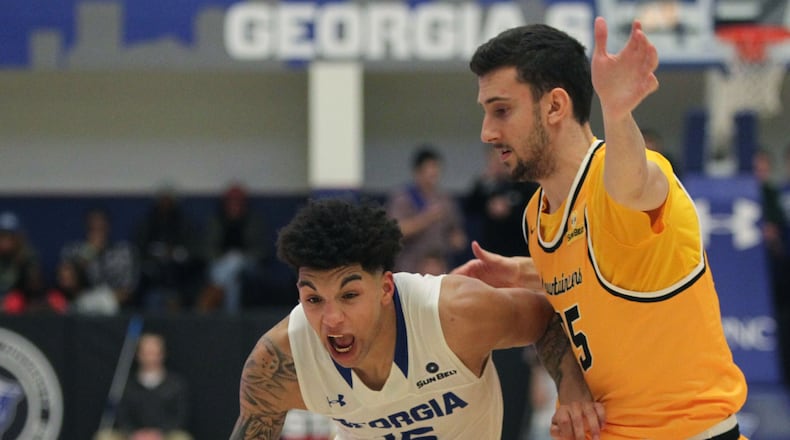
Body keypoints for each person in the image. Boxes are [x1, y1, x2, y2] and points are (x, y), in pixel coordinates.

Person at [454, 17, 748, 439]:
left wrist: (618, 111)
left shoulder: (623, 184)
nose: (487, 132)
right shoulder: (538, 215)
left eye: (501, 110)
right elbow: (601, 271)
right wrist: (520, 274)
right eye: (486, 113)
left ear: (555, 106)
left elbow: (630, 185)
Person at [230, 198, 604, 440]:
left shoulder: (455, 314)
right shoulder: (280, 362)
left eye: (349, 296)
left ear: (386, 289)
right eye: (313, 299)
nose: (331, 319)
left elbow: (546, 318)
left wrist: (570, 386)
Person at [463, 146, 540, 439]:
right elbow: (469, 206)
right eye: (492, 158)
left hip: (523, 272)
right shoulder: (486, 187)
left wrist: (508, 211)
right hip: (488, 271)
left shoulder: (527, 188)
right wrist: (486, 178)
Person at [96, 333, 193, 440]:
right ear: (138, 354)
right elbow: (121, 416)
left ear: (162, 354)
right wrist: (133, 433)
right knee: (104, 437)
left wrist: (159, 433)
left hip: (165, 435)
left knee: (182, 438)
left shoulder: (176, 384)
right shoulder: (126, 384)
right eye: (146, 352)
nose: (150, 357)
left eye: (154, 352)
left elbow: (180, 417)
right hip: (132, 435)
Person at [386, 145, 467, 274]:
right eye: (428, 170)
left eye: (436, 169)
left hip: (440, 267)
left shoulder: (445, 200)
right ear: (417, 172)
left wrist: (456, 239)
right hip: (411, 267)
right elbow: (396, 231)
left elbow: (455, 231)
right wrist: (427, 218)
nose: (433, 174)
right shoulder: (403, 198)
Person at [198, 183, 268, 313]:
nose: (234, 205)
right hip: (220, 263)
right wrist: (223, 258)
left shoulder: (253, 221)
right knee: (233, 280)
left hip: (248, 263)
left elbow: (260, 250)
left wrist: (241, 256)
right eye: (231, 201)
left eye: (237, 201)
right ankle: (232, 316)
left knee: (235, 259)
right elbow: (208, 248)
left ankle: (213, 290)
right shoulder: (216, 221)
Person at [134, 184, 204, 311]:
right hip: (154, 278)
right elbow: (139, 249)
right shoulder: (148, 223)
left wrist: (175, 253)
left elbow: (194, 252)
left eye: (169, 201)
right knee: (153, 299)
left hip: (180, 277)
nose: (165, 204)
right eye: (163, 201)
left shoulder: (184, 224)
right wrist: (157, 255)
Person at [61, 208, 139, 311]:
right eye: (93, 228)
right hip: (81, 305)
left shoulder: (123, 251)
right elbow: (67, 282)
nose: (97, 233)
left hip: (117, 305)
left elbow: (129, 287)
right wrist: (89, 253)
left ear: (108, 228)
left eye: (101, 228)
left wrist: (106, 300)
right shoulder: (74, 251)